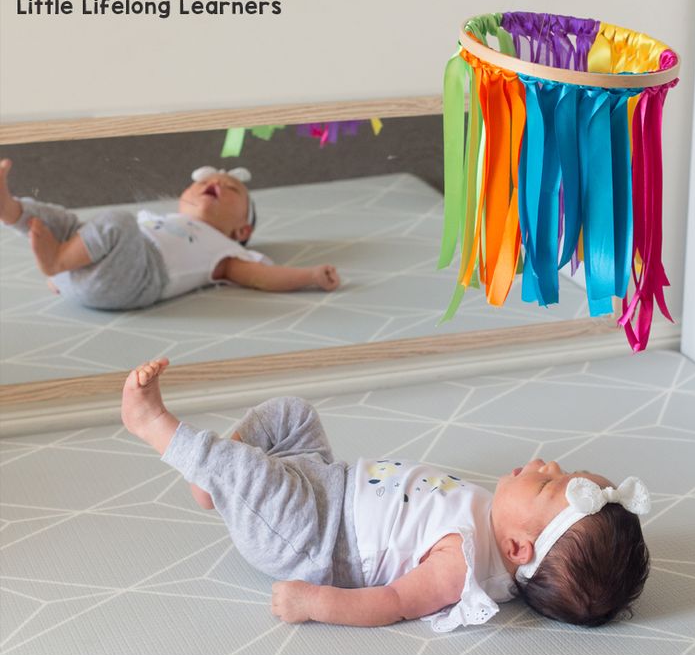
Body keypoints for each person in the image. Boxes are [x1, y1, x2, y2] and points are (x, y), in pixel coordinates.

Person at [119, 356, 651, 631]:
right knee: (295, 414)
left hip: (312, 538)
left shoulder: (463, 567)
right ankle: (216, 481)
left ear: (518, 550)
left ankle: (156, 426)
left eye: (545, 481)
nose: (546, 463)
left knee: (258, 477)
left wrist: (315, 603)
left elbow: (392, 603)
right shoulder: (492, 521)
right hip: (330, 483)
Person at [0, 158, 339, 309]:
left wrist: (309, 275)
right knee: (65, 222)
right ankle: (11, 209)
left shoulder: (225, 248)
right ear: (181, 202)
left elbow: (262, 277)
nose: (215, 183)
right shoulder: (156, 219)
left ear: (242, 229)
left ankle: (59, 260)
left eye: (231, 189)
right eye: (204, 182)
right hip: (97, 273)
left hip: (142, 278)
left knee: (118, 221)